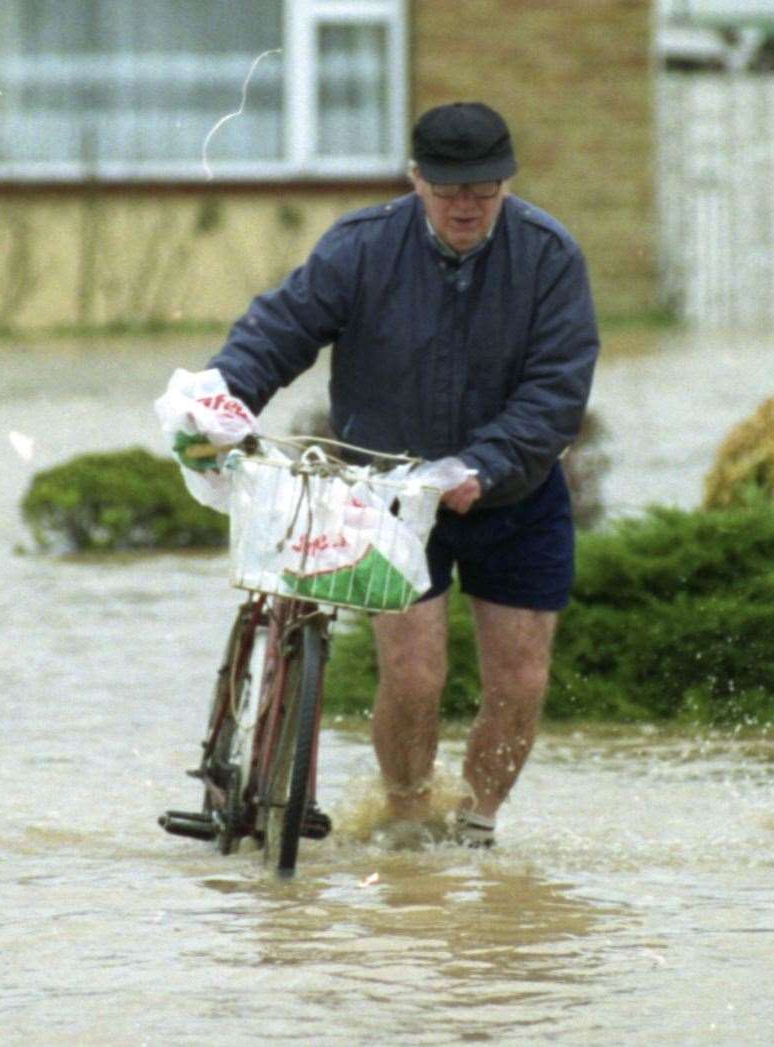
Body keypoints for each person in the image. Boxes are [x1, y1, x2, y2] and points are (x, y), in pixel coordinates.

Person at [199, 101, 600, 847]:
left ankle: (475, 827)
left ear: (506, 184)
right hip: (383, 496)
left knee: (519, 682)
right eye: (449, 189)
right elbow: (280, 331)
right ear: (416, 180)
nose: (466, 206)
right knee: (414, 673)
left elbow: (556, 389)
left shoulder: (549, 257)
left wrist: (483, 463)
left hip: (512, 493)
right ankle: (409, 818)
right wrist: (221, 397)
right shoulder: (360, 248)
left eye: (483, 190)